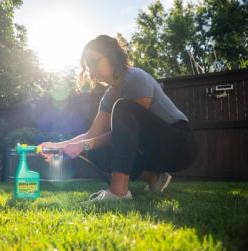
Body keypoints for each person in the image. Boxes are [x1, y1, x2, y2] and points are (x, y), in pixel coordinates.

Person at [38, 35, 198, 202]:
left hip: (180, 146)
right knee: (96, 153)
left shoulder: (135, 77)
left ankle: (118, 192)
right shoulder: (108, 96)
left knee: (122, 108)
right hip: (151, 152)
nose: (91, 70)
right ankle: (154, 178)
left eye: (94, 62)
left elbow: (127, 131)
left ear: (112, 55)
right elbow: (91, 135)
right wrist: (56, 146)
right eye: (88, 66)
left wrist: (85, 145)